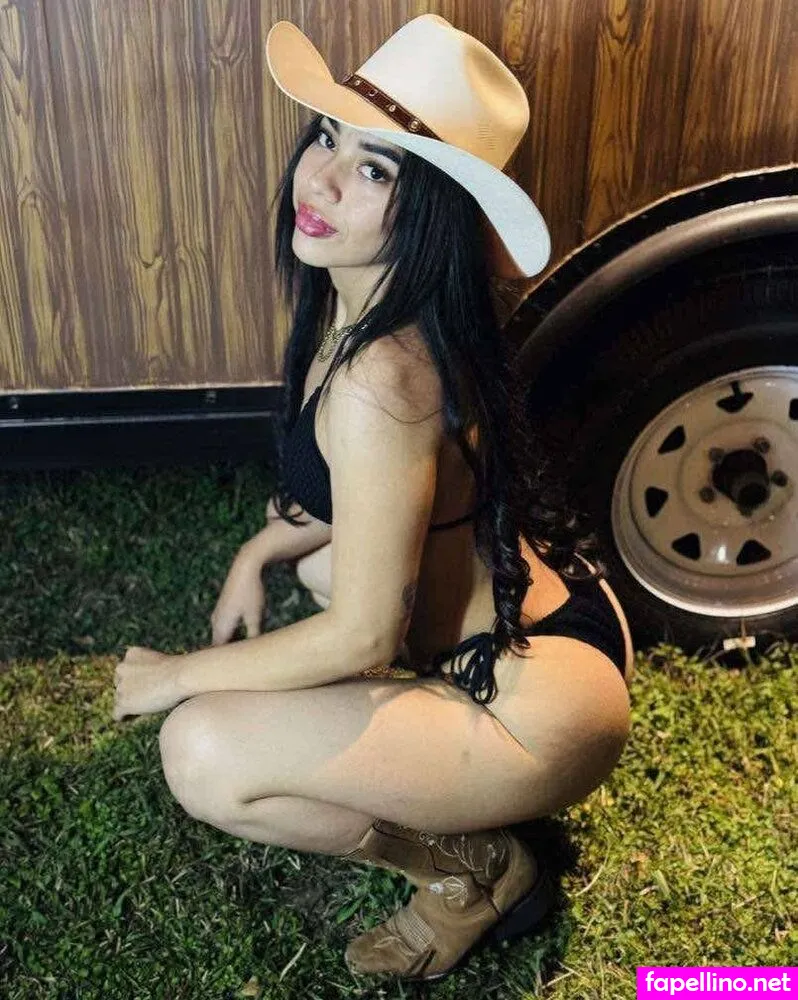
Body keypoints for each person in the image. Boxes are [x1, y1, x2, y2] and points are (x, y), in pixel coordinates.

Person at [113, 14, 635, 982]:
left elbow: (360, 635)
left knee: (204, 751)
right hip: (535, 614)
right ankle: (438, 764)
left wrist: (176, 676)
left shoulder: (381, 379)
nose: (319, 182)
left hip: (538, 700)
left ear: (432, 210)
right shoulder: (365, 310)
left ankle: (476, 871)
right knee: (319, 566)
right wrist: (255, 555)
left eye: (375, 170)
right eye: (327, 138)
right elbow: (349, 504)